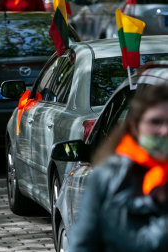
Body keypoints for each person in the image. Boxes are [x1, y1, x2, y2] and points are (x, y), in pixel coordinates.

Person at [69, 83, 168, 252]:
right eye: (155, 122)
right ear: (135, 127)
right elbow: (82, 245)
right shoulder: (107, 178)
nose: (165, 131)